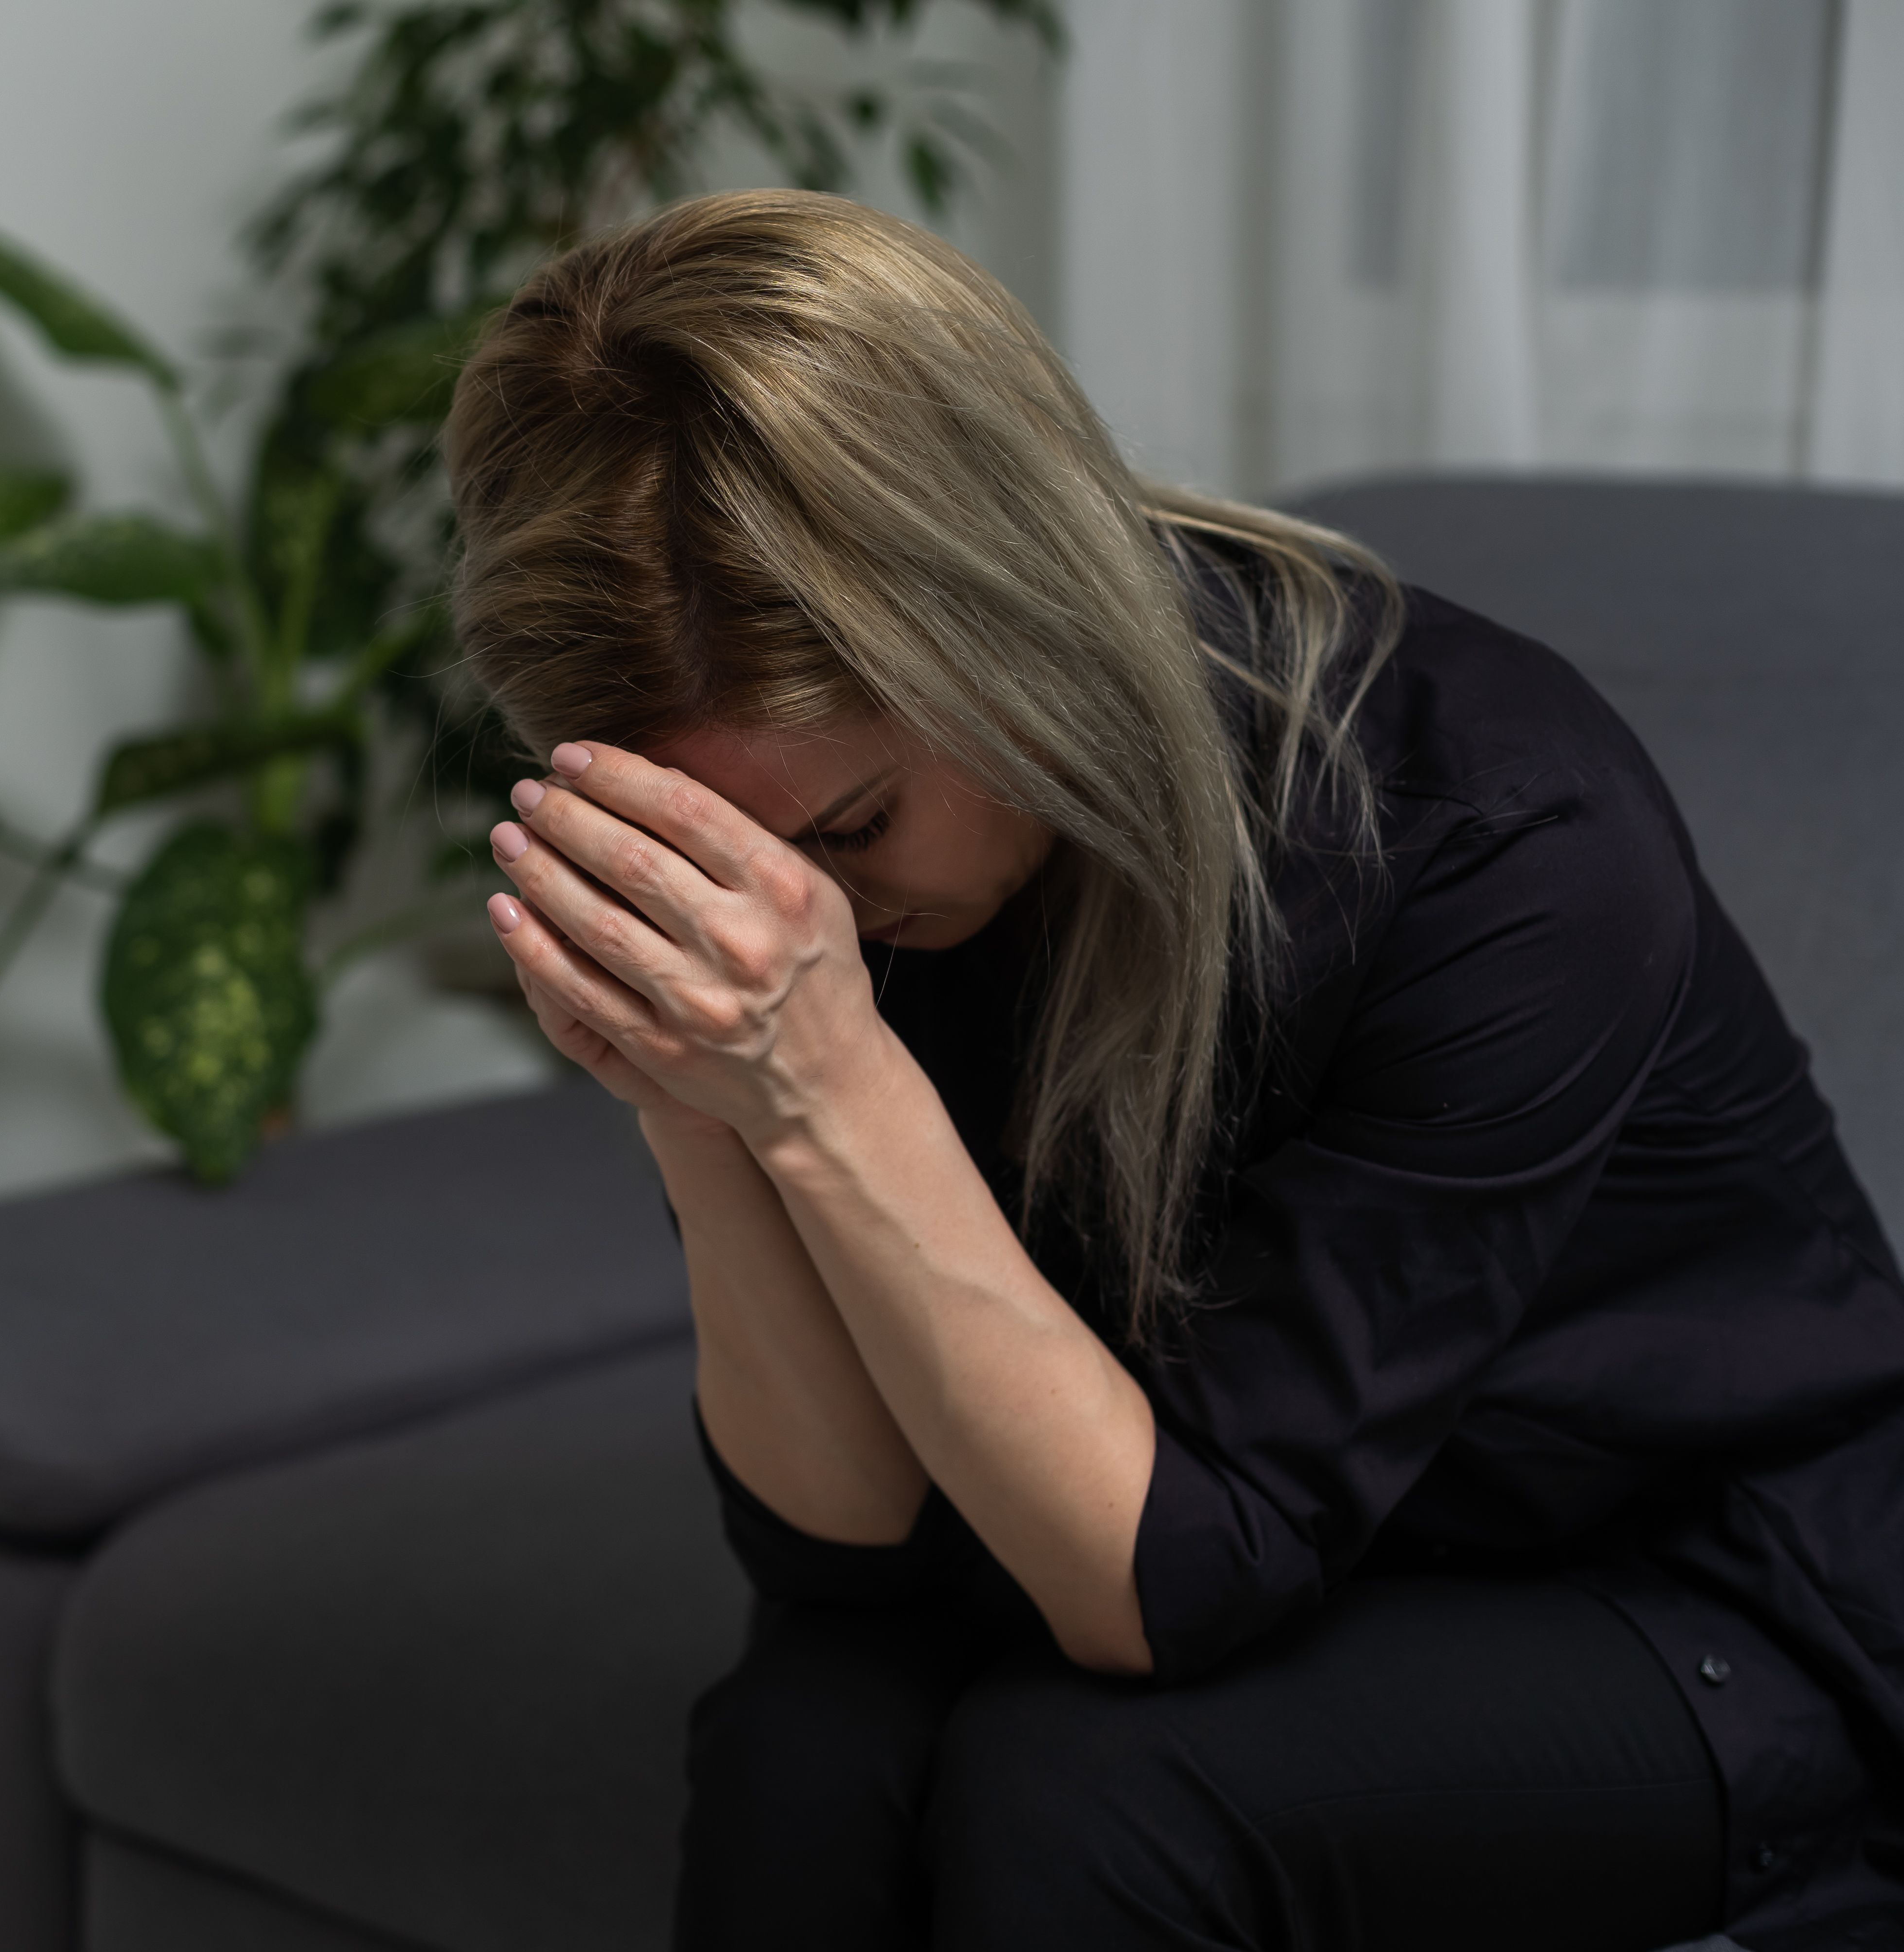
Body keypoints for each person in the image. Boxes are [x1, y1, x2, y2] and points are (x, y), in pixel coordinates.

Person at [442, 189, 1904, 1952]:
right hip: (1202, 1529)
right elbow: (840, 1556)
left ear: (1013, 630)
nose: (813, 922)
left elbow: (1176, 1582)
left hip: (1698, 1586)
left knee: (1087, 1795)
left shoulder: (1498, 828)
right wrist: (700, 1110)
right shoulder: (845, 895)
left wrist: (829, 1091)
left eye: (856, 823)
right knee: (801, 1745)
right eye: (746, 865)